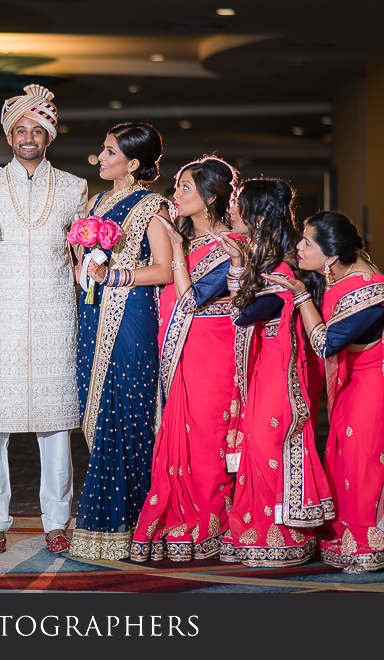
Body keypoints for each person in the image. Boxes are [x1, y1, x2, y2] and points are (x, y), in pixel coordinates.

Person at [261, 211, 384, 572]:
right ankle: (347, 534)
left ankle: (370, 541)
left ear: (333, 256)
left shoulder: (367, 293)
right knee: (343, 454)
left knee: (364, 458)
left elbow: (324, 343)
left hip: (373, 387)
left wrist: (302, 297)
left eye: (308, 243)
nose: (299, 247)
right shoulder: (343, 274)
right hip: (354, 381)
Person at [0, 85, 88, 555]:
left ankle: (57, 522)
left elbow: (83, 255)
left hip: (56, 315)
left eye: (37, 129)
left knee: (56, 425)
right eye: (20, 129)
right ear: (9, 135)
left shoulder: (77, 188)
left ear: (49, 135)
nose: (28, 137)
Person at [210, 178, 334, 568]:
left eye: (237, 205)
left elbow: (244, 313)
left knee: (270, 442)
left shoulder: (282, 266)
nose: (230, 212)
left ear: (259, 216)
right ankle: (260, 530)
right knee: (260, 441)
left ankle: (283, 534)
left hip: (284, 369)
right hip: (271, 363)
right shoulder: (269, 258)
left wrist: (235, 266)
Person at [130, 156, 243, 562]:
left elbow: (192, 299)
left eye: (185, 188)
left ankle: (210, 516)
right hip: (175, 347)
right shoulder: (184, 238)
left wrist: (176, 250)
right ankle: (176, 510)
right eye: (176, 186)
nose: (175, 195)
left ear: (211, 197)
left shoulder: (231, 245)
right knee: (176, 430)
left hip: (213, 348)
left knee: (207, 433)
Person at [68, 122, 173, 561]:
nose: (101, 158)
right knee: (96, 408)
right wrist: (84, 261)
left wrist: (116, 275)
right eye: (103, 150)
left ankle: (123, 522)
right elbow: (81, 258)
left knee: (126, 410)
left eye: (110, 152)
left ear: (133, 164)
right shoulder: (96, 201)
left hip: (130, 318)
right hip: (93, 313)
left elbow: (165, 269)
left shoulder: (154, 207)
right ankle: (107, 519)